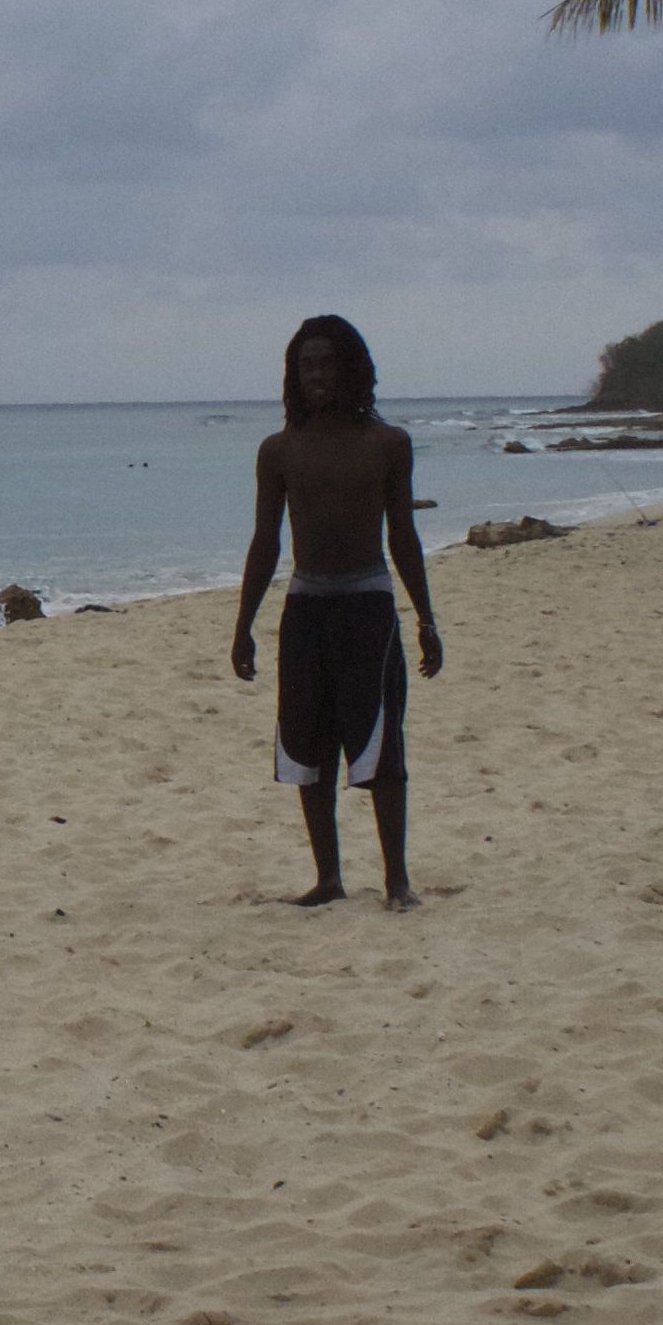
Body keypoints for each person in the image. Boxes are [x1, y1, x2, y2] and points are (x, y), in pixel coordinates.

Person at [229, 315, 442, 907]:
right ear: (294, 377)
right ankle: (328, 877)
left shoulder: (388, 444)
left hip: (368, 607)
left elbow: (403, 536)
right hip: (304, 609)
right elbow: (266, 542)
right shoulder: (278, 451)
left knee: (380, 745)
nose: (317, 374)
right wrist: (244, 624)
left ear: (352, 370)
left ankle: (397, 879)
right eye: (306, 365)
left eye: (327, 363)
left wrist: (425, 618)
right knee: (307, 747)